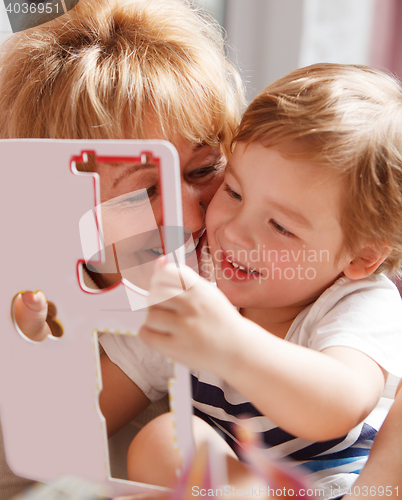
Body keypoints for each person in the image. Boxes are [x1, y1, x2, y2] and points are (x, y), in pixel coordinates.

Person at [122, 64, 402, 499]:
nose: (233, 232)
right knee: (165, 440)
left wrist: (230, 342)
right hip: (251, 487)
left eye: (280, 226)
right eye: (233, 192)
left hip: (345, 486)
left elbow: (339, 405)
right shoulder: (197, 280)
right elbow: (95, 404)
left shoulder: (360, 302)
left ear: (362, 257)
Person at [0, 0, 243, 497]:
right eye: (144, 191)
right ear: (57, 198)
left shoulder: (253, 271)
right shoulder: (28, 296)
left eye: (203, 172)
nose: (194, 221)